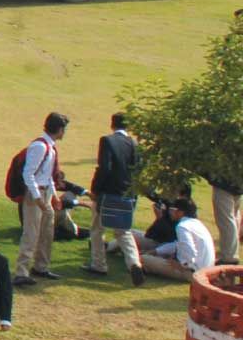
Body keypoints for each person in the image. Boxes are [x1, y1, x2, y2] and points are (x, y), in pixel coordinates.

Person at [84, 112, 144, 284]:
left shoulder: (108, 141)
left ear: (112, 124)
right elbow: (137, 171)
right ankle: (134, 263)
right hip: (127, 194)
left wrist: (95, 188)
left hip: (108, 192)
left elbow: (105, 168)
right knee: (123, 231)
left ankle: (98, 264)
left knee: (97, 229)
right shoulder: (134, 144)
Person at [13, 112, 68, 286]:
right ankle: (21, 271)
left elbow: (48, 175)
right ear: (59, 129)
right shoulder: (40, 146)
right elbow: (28, 174)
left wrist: (54, 196)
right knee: (31, 232)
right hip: (35, 194)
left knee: (47, 231)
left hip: (44, 193)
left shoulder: (49, 147)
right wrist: (37, 197)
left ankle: (41, 266)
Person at [139, 197, 217, 282]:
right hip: (205, 270)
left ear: (180, 212)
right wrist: (155, 251)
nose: (170, 212)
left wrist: (182, 265)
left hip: (193, 272)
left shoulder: (182, 227)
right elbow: (176, 245)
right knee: (154, 255)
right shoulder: (197, 224)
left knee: (143, 259)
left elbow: (189, 250)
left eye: (172, 210)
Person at [206, 172, 241, 266]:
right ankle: (231, 253)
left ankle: (229, 257)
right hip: (237, 181)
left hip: (225, 183)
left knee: (226, 221)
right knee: (233, 217)